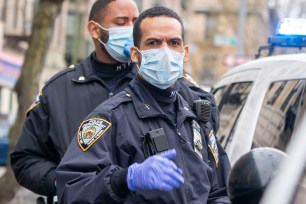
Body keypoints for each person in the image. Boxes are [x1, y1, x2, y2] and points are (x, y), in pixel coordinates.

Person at [56, 7, 230, 203]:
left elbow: (218, 190)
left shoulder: (196, 117)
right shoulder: (111, 118)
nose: (165, 51)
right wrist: (123, 180)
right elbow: (71, 189)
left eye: (174, 43)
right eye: (153, 43)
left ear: (185, 52)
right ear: (135, 54)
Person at [10, 0, 139, 202]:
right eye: (122, 22)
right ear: (94, 30)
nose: (131, 30)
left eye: (135, 22)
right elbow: (26, 159)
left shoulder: (153, 85)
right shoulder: (58, 89)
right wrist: (61, 182)